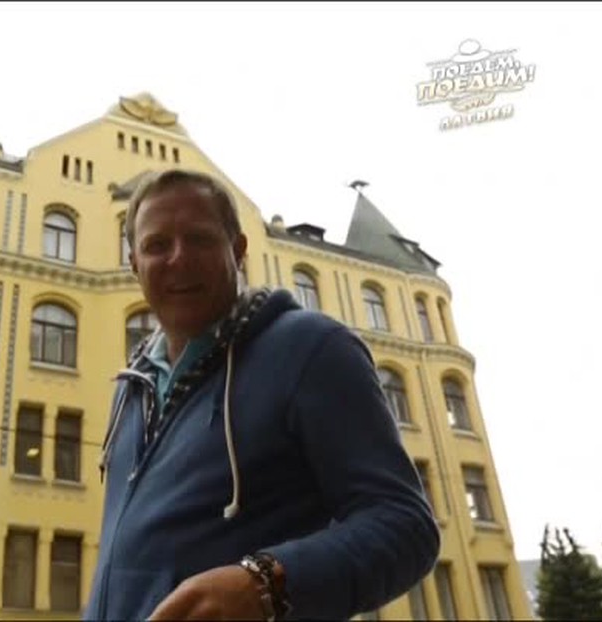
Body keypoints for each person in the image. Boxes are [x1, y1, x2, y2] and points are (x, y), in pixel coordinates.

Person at [85, 169, 440, 621]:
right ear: (134, 263)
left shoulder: (311, 348)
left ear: (238, 250)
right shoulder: (131, 387)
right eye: (157, 245)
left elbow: (406, 526)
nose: (179, 258)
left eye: (199, 239)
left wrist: (267, 582)